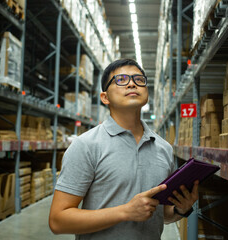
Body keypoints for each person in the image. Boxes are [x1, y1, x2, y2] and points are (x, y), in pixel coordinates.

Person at [49, 59, 199, 239]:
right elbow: (58, 221)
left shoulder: (163, 148)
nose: (131, 84)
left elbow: (161, 214)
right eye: (121, 80)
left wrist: (180, 209)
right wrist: (125, 212)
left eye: (138, 79)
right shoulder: (86, 145)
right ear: (105, 97)